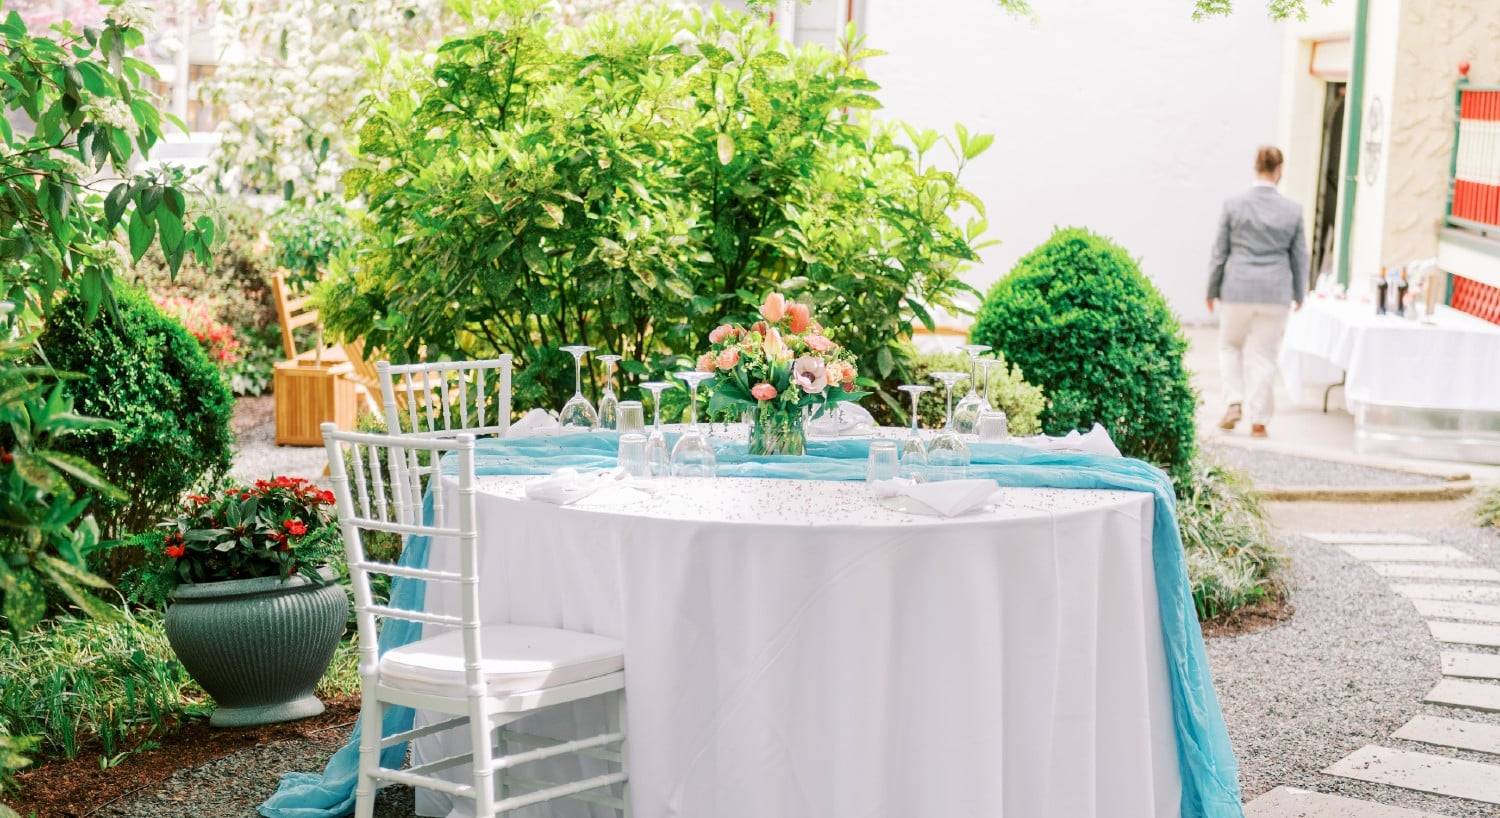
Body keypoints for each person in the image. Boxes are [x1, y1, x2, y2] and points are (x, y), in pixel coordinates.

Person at [1206, 146, 1309, 439]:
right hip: (1275, 292)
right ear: (1279, 170)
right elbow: (1300, 256)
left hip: (1237, 288)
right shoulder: (1293, 210)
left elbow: (1219, 252)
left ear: (1255, 168)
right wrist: (1299, 293)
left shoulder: (1233, 205)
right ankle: (1260, 419)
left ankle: (1233, 402)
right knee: (1264, 355)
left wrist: (1211, 289)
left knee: (1230, 346)